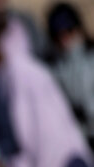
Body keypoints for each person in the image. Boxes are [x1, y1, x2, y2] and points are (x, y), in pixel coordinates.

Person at [47, 2, 94, 146]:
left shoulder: (90, 56)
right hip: (82, 137)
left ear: (77, 29)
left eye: (68, 30)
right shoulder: (54, 67)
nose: (64, 38)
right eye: (58, 34)